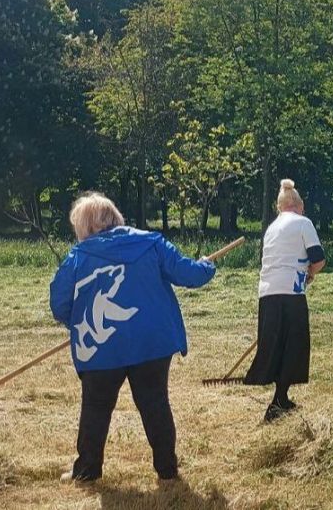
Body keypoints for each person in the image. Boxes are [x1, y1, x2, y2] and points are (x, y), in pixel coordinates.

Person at [49, 192, 216, 483]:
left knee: (96, 406)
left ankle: (87, 470)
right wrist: (205, 265)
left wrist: (76, 324)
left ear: (85, 226)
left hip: (102, 344)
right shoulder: (151, 243)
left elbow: (59, 301)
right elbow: (189, 274)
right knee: (155, 403)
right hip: (151, 342)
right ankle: (167, 471)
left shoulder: (79, 256)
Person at [244, 179, 326, 422]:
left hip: (267, 292)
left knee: (275, 345)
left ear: (279, 207)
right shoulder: (303, 223)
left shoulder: (271, 227)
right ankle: (279, 401)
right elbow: (318, 259)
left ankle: (280, 397)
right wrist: (310, 274)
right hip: (291, 293)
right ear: (298, 205)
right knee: (294, 346)